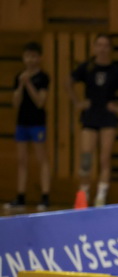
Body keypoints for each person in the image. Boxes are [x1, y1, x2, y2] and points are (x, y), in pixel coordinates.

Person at [66, 34, 118, 207]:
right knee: (86, 158)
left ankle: (101, 196)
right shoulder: (88, 67)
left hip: (107, 117)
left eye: (106, 45)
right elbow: (68, 82)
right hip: (90, 115)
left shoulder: (116, 70)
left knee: (105, 157)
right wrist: (77, 102)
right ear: (94, 47)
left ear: (110, 48)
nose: (102, 49)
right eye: (99, 45)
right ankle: (83, 193)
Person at [9, 42, 51, 211]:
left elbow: (40, 102)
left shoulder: (43, 77)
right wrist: (21, 85)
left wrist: (28, 84)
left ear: (39, 58)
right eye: (27, 56)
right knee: (21, 160)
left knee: (42, 158)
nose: (30, 60)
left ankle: (45, 196)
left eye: (33, 56)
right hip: (22, 122)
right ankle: (20, 196)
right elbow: (15, 103)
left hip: (37, 123)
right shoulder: (19, 76)